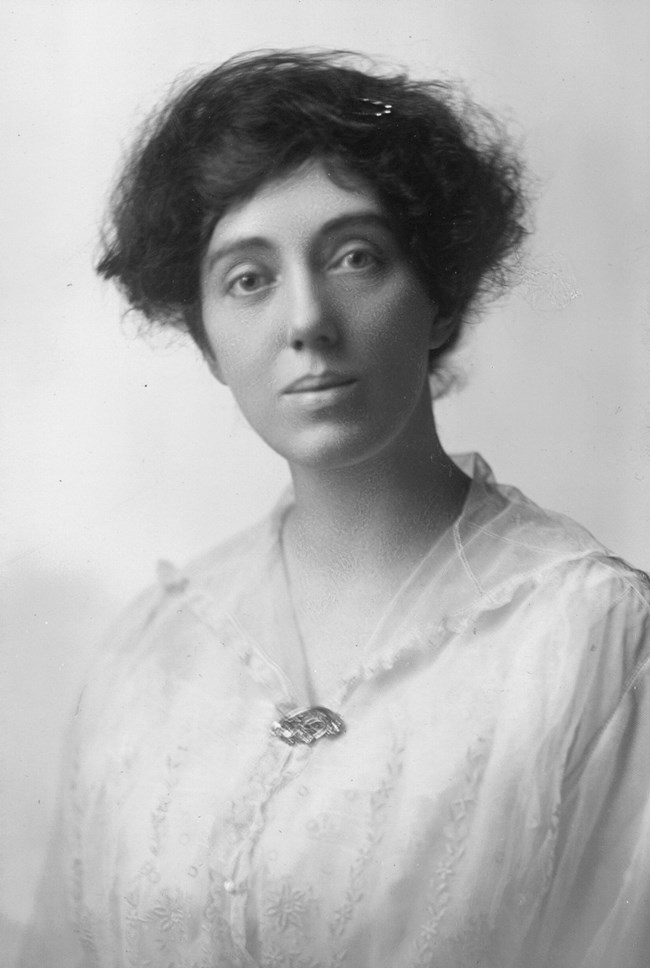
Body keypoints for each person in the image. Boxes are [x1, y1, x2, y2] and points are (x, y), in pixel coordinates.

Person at [22, 49, 650, 968]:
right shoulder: (149, 652)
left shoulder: (588, 635)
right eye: (248, 278)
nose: (307, 320)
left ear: (437, 298)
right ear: (205, 338)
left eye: (355, 257)